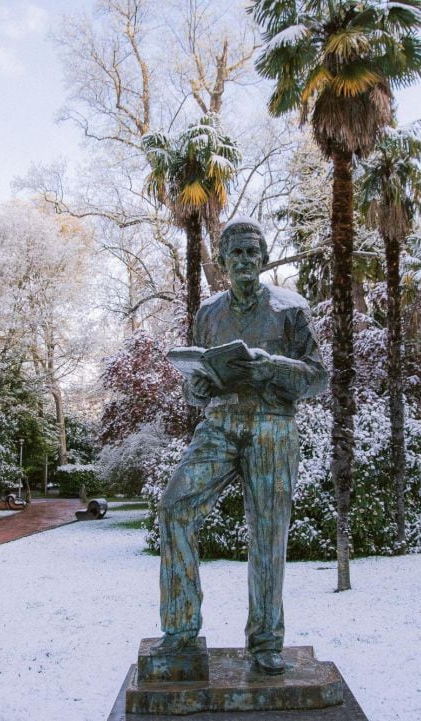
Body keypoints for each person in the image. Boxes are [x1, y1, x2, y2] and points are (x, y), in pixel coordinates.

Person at [154, 217, 327, 675]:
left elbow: (319, 378)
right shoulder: (208, 313)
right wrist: (199, 387)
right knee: (174, 508)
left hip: (272, 425)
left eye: (253, 252)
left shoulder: (290, 309)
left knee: (268, 533)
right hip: (221, 423)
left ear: (264, 258)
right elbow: (198, 382)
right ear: (224, 261)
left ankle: (266, 641)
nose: (245, 260)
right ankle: (181, 631)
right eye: (237, 253)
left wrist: (271, 367)